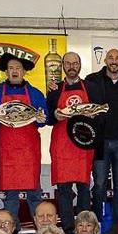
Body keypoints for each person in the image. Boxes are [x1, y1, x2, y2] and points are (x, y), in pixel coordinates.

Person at [0, 54, 48, 218]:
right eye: (11, 68)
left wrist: (42, 119)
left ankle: (42, 230)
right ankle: (11, 230)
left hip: (29, 151)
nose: (14, 71)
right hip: (8, 152)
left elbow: (44, 119)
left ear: (24, 72)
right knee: (10, 198)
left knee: (35, 195)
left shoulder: (35, 94)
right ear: (6, 72)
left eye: (18, 68)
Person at [86, 49, 118, 217]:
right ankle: (98, 220)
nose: (114, 61)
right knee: (100, 183)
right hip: (100, 140)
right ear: (105, 61)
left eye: (117, 58)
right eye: (110, 58)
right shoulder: (92, 80)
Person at [45, 52, 96, 219]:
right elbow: (47, 118)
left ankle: (85, 226)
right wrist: (55, 115)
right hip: (62, 146)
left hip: (83, 145)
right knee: (64, 190)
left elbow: (101, 114)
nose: (71, 66)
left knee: (84, 188)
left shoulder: (90, 87)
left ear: (80, 65)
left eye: (75, 63)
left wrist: (93, 115)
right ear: (63, 66)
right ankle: (67, 227)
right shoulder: (54, 89)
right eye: (68, 63)